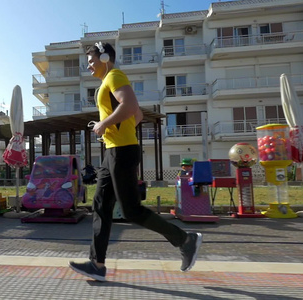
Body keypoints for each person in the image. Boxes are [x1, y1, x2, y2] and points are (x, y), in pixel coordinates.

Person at [69, 42, 203, 281]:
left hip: (122, 152)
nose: (88, 66)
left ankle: (185, 240)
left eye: (92, 61)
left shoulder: (114, 75)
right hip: (113, 151)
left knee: (132, 211)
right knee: (100, 206)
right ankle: (97, 264)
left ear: (106, 57)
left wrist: (104, 124)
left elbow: (130, 106)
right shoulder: (107, 82)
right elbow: (137, 115)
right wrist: (118, 129)